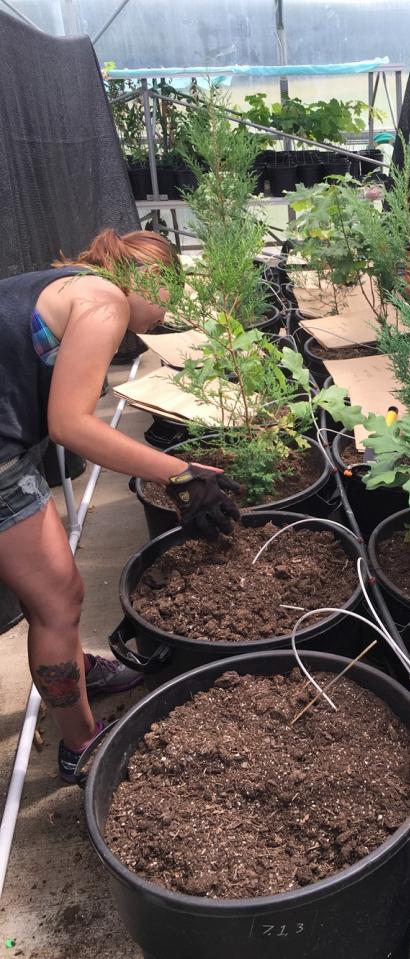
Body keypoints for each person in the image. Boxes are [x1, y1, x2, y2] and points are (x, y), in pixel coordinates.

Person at [0, 229, 240, 784]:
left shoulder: (69, 286)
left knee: (49, 595)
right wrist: (180, 473)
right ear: (148, 275)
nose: (167, 314)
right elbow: (71, 425)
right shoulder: (104, 300)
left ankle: (75, 669)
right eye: (170, 294)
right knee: (59, 601)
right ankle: (82, 745)